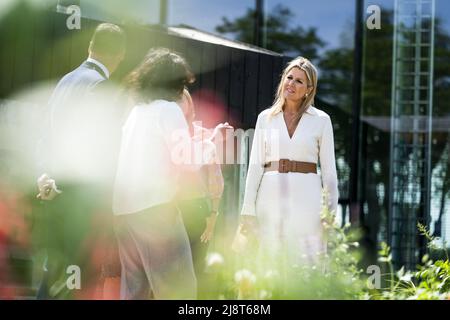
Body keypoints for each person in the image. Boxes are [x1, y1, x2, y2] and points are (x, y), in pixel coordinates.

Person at [113, 48, 227, 300]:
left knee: (134, 291)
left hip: (124, 210)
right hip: (155, 211)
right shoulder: (168, 110)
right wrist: (212, 142)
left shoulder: (137, 112)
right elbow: (185, 159)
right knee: (179, 289)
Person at [36, 23, 126, 299]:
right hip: (81, 199)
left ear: (90, 47)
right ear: (119, 55)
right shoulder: (100, 86)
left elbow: (46, 135)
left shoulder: (64, 81)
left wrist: (44, 176)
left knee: (55, 274)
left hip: (53, 190)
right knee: (77, 281)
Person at [239, 56, 339, 266]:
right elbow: (255, 166)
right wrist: (248, 209)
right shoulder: (265, 118)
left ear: (309, 89)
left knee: (305, 263)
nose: (291, 84)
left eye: (299, 81)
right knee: (270, 262)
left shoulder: (321, 120)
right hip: (269, 196)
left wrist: (329, 215)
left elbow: (329, 173)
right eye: (289, 77)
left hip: (308, 199)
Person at [176, 88, 225, 299]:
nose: (178, 105)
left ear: (189, 105)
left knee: (195, 271)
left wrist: (213, 216)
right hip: (167, 209)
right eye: (174, 100)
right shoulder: (164, 133)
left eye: (182, 100)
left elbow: (215, 178)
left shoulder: (201, 135)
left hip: (196, 210)